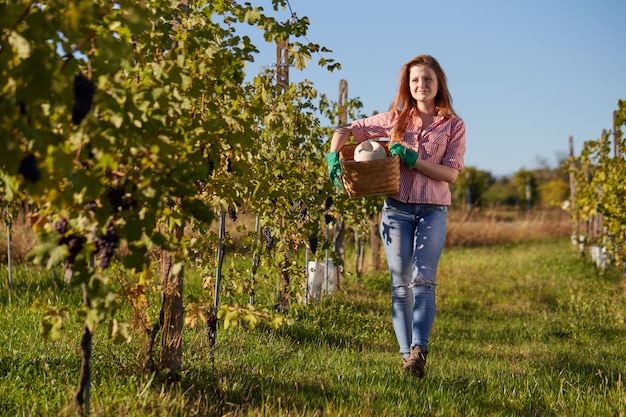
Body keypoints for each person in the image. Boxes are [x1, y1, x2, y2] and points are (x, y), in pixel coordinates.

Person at [325, 55, 466, 377]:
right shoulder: (395, 120)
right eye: (415, 80)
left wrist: (413, 160)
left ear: (438, 83)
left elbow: (451, 175)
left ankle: (420, 348)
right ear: (408, 85)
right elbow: (347, 128)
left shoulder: (454, 125)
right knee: (400, 285)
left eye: (427, 79)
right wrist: (334, 156)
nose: (421, 85)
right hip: (397, 210)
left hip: (433, 209)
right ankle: (408, 358)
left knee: (424, 281)